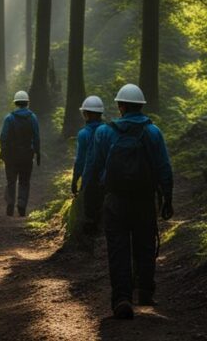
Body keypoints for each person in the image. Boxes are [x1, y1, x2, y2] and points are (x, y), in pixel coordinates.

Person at [82, 83, 173, 320]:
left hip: (115, 200)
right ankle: (144, 292)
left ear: (120, 106)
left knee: (118, 250)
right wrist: (168, 198)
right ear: (141, 106)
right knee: (145, 245)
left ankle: (121, 298)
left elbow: (92, 168)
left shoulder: (104, 132)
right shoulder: (153, 132)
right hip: (144, 200)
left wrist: (90, 205)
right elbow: (164, 168)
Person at [0, 90, 41, 217]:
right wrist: (37, 152)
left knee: (11, 180)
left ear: (16, 103)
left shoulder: (9, 118)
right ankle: (22, 205)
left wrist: (3, 151)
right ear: (27, 103)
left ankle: (10, 203)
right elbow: (36, 137)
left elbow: (3, 137)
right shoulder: (33, 118)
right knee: (24, 181)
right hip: (27, 155)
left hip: (11, 156)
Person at [72, 96, 105, 239]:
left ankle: (90, 239)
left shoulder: (83, 134)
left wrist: (75, 179)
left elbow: (80, 160)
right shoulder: (108, 130)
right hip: (106, 176)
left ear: (86, 114)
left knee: (89, 209)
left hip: (89, 178)